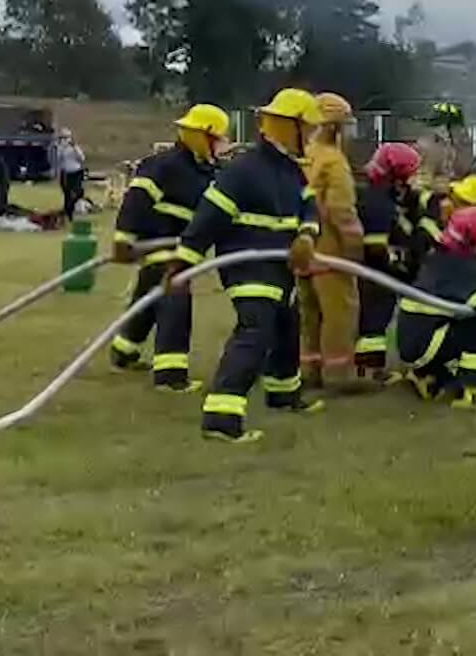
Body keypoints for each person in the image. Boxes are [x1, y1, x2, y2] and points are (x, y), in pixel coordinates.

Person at [178, 88, 327, 445]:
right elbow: (209, 217)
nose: (311, 137)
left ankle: (283, 394)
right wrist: (184, 262)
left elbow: (308, 208)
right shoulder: (245, 170)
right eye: (307, 129)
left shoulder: (291, 171)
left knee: (286, 326)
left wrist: (307, 235)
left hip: (280, 265)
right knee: (255, 332)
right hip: (248, 266)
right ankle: (221, 417)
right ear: (288, 127)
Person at [106, 104, 230, 392]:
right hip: (158, 242)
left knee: (149, 298)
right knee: (175, 298)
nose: (221, 147)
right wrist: (123, 240)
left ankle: (124, 351)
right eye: (218, 139)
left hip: (180, 245)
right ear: (202, 135)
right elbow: (135, 201)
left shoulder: (205, 171)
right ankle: (170, 375)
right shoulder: (163, 165)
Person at [400, 206, 476, 410]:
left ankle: (429, 376)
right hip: (425, 342)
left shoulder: (441, 257)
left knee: (466, 318)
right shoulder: (461, 266)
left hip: (417, 338)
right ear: (474, 240)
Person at [296, 92, 367, 394]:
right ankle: (339, 375)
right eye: (346, 126)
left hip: (303, 247)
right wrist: (354, 245)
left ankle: (309, 369)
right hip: (331, 250)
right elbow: (341, 210)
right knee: (340, 312)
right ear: (333, 127)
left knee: (308, 312)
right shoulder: (334, 162)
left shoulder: (304, 155)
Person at [354, 141, 421, 385]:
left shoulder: (379, 192)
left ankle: (367, 367)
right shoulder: (377, 202)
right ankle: (370, 370)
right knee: (375, 318)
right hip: (375, 272)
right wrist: (398, 264)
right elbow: (375, 246)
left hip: (375, 269)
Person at [51, 128, 88, 221]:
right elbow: (58, 160)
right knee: (67, 194)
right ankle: (68, 214)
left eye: (67, 137)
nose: (65, 140)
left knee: (78, 192)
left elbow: (82, 158)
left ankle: (69, 209)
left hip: (76, 172)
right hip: (65, 173)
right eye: (63, 138)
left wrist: (74, 148)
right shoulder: (59, 147)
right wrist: (60, 149)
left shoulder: (75, 147)